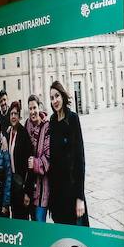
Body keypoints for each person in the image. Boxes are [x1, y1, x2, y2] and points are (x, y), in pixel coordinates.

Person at [47, 80, 88, 226]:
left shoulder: (73, 119)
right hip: (57, 194)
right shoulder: (52, 121)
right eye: (51, 98)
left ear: (63, 96)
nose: (55, 100)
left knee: (76, 241)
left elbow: (80, 159)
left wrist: (80, 198)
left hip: (72, 192)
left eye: (57, 96)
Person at [4, 99, 33, 219]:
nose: (13, 116)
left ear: (19, 116)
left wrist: (27, 192)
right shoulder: (8, 133)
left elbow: (30, 166)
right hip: (11, 185)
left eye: (16, 114)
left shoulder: (24, 134)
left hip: (21, 186)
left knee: (22, 220)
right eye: (11, 114)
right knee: (14, 218)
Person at [25, 95, 51, 222]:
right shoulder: (27, 125)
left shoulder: (47, 127)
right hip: (30, 188)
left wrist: (35, 163)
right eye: (30, 108)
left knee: (40, 224)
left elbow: (48, 159)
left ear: (39, 107)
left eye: (34, 107)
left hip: (42, 189)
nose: (32, 111)